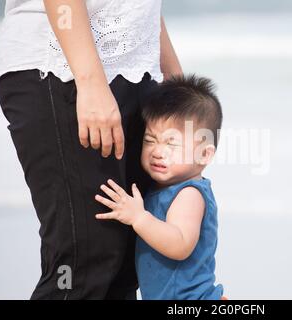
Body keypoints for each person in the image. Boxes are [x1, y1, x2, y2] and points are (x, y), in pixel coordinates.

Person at [0, 0, 182, 299]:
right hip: (61, 70)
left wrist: (176, 82)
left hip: (136, 72)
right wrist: (90, 81)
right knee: (84, 262)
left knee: (126, 260)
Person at [94, 75, 226, 300]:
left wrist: (138, 218)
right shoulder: (161, 189)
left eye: (171, 143)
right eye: (150, 140)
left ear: (204, 154)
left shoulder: (190, 194)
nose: (157, 151)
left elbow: (180, 244)